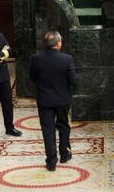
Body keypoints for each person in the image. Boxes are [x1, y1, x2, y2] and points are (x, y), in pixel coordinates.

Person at [29, 30, 78, 171]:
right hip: (63, 100)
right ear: (57, 43)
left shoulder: (36, 59)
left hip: (44, 100)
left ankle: (51, 162)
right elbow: (73, 80)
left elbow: (32, 78)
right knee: (63, 126)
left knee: (48, 130)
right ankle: (64, 154)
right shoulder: (67, 59)